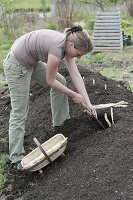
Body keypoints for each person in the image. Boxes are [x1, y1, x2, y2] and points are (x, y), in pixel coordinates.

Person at [3, 25, 97, 171]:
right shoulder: (57, 48)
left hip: (31, 63)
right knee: (20, 111)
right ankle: (16, 159)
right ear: (72, 45)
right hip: (17, 65)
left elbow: (75, 75)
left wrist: (89, 103)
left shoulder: (66, 44)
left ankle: (61, 125)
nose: (78, 57)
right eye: (78, 53)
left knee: (63, 81)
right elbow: (50, 80)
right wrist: (73, 95)